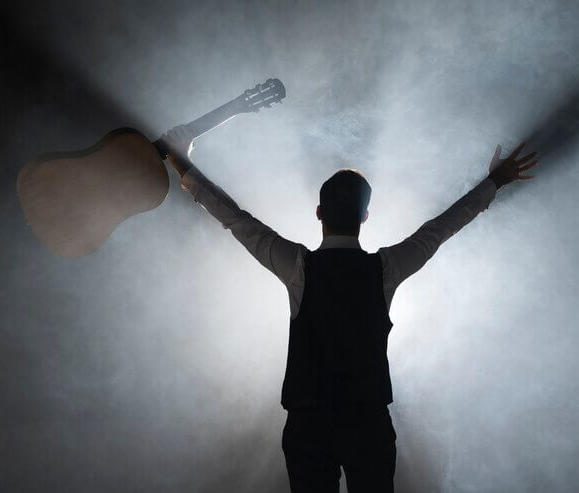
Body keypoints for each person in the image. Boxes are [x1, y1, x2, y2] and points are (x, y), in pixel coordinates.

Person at [162, 127, 538, 493]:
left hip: (309, 423)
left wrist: (183, 166)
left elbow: (234, 218)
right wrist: (495, 182)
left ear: (319, 212)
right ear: (365, 216)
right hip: (367, 423)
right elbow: (441, 227)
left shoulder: (298, 266)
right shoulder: (385, 269)